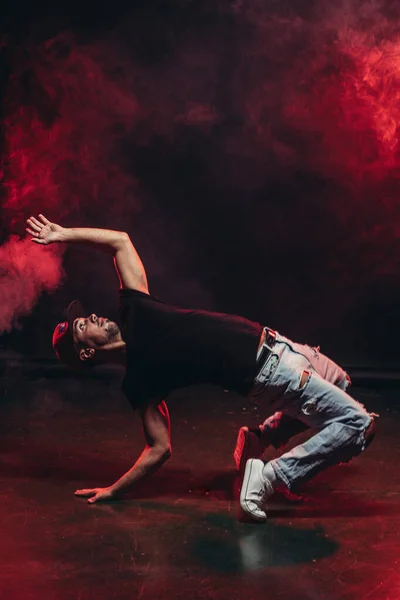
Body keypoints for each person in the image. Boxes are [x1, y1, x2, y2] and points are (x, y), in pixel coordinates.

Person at [26, 214, 376, 522]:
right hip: (271, 372)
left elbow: (121, 242)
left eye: (84, 317)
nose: (90, 317)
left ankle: (259, 439)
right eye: (82, 326)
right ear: (86, 353)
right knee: (358, 425)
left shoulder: (135, 310)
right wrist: (115, 490)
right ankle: (268, 477)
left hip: (280, 344)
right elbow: (159, 448)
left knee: (340, 381)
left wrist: (63, 233)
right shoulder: (139, 381)